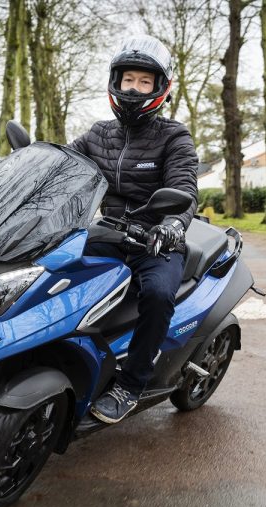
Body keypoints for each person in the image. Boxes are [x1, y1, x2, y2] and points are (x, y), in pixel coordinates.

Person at [68, 35, 198, 424]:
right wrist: (19, 167)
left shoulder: (174, 137)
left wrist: (172, 226)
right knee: (51, 273)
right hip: (106, 233)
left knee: (157, 294)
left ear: (160, 88)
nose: (134, 89)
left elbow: (185, 189)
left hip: (154, 241)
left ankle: (132, 383)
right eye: (129, 80)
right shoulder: (97, 134)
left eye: (144, 81)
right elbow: (62, 164)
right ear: (116, 82)